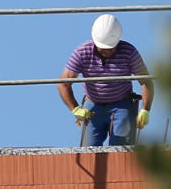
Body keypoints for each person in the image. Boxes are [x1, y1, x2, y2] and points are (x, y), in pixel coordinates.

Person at [58, 14, 152, 147]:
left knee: (121, 151)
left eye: (111, 48)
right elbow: (63, 84)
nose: (107, 51)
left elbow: (146, 81)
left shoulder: (129, 52)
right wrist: (75, 109)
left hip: (122, 105)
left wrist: (145, 110)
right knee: (89, 153)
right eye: (104, 48)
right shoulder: (82, 52)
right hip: (93, 106)